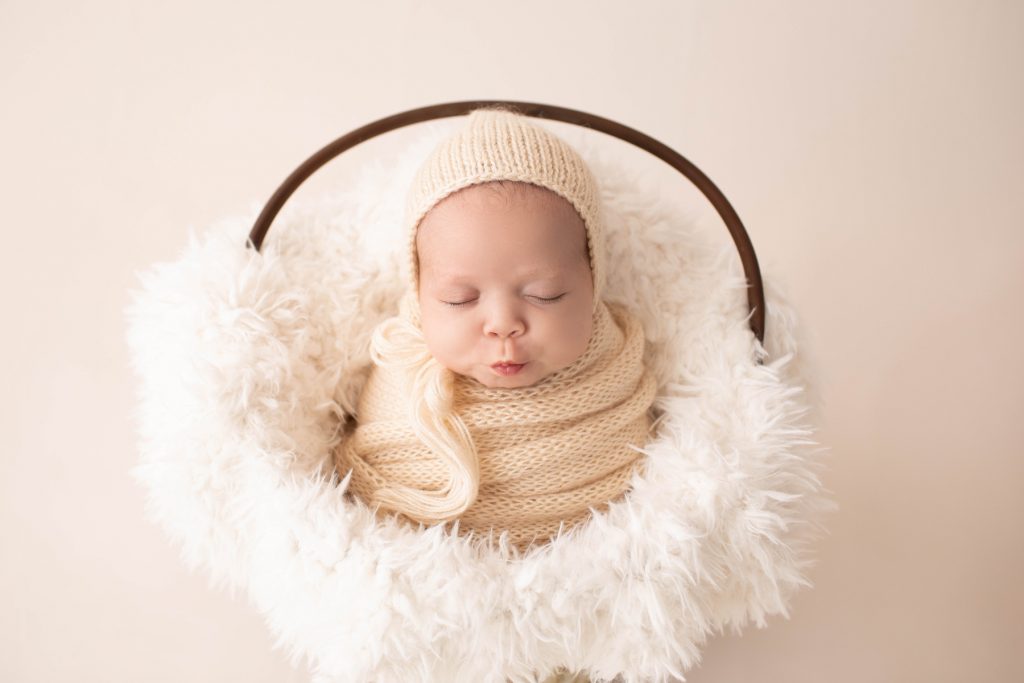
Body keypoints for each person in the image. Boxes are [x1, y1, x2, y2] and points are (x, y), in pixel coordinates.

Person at [334, 106, 658, 556]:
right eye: (459, 300)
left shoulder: (614, 378)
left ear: (593, 282)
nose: (503, 324)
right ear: (420, 295)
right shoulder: (402, 377)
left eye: (545, 294)